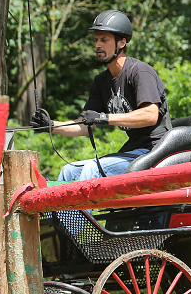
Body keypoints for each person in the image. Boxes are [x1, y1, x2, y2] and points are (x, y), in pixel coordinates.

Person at [31, 9, 171, 181]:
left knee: (92, 169)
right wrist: (51, 125)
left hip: (156, 151)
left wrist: (104, 117)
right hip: (132, 151)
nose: (98, 45)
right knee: (68, 171)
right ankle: (61, 209)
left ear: (121, 43)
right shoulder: (100, 82)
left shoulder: (140, 72)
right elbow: (83, 126)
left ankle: (77, 210)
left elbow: (150, 115)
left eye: (104, 40)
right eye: (96, 40)